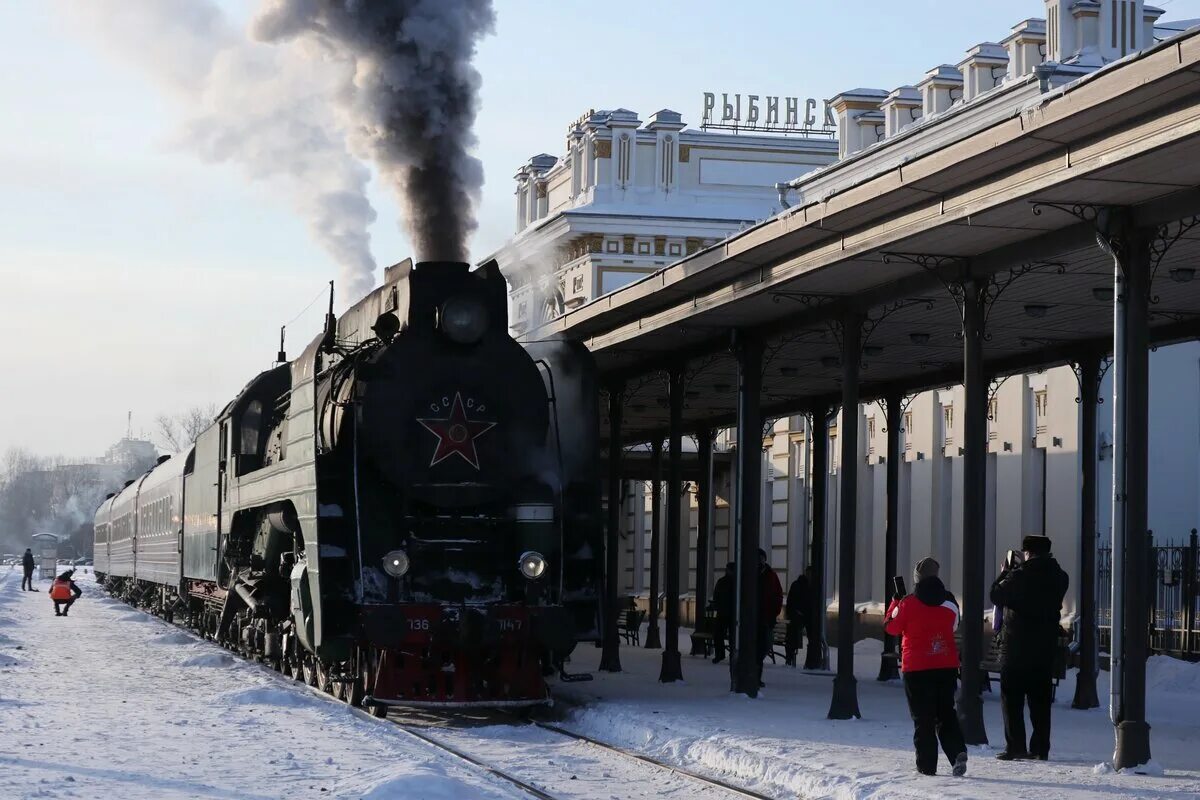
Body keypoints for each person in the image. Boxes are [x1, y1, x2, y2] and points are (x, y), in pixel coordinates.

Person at [885, 556, 968, 777]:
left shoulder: (907, 602)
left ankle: (927, 766)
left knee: (923, 718)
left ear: (917, 579)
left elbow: (891, 628)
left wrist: (895, 602)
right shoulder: (950, 601)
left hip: (917, 668)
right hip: (945, 664)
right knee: (945, 713)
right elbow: (954, 625)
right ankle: (957, 751)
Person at [990, 535, 1069, 761]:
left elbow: (995, 595)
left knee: (1012, 700)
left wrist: (1005, 572)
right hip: (1044, 648)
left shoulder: (1019, 576)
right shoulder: (1060, 576)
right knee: (1041, 702)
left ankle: (1016, 746)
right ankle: (1040, 748)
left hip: (1016, 648)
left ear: (1028, 552)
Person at [756, 548, 783, 687]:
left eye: (761, 558)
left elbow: (778, 595)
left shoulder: (771, 575)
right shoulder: (751, 574)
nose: (760, 561)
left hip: (766, 618)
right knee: (757, 648)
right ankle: (754, 675)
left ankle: (756, 674)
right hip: (754, 618)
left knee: (764, 646)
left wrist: (774, 613)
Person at [784, 567, 811, 666]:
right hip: (799, 616)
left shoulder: (797, 585)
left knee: (791, 635)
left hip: (797, 616)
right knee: (792, 635)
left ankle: (789, 657)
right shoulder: (804, 586)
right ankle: (790, 657)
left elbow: (790, 602)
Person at [709, 562, 735, 663]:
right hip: (729, 613)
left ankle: (721, 654)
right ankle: (729, 654)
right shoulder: (734, 582)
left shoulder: (722, 581)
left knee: (719, 635)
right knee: (728, 636)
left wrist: (717, 606)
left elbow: (716, 595)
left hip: (724, 612)